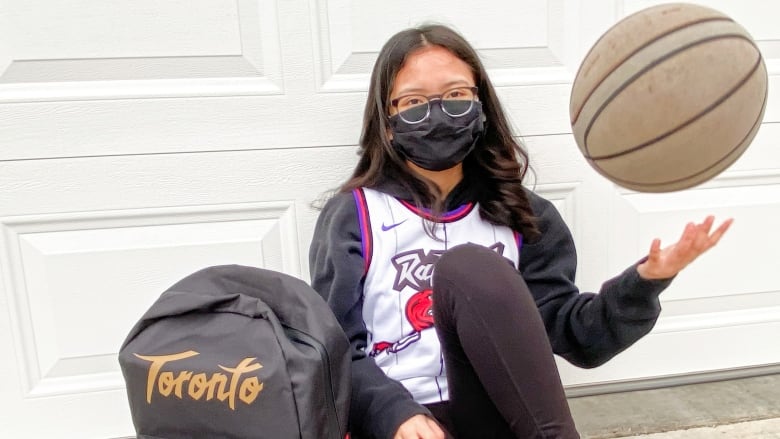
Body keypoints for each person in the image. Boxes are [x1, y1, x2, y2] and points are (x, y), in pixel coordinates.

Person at [308, 24, 732, 439]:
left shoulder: (525, 216)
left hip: (498, 416)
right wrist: (390, 412)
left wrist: (644, 283)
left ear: (481, 107)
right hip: (398, 421)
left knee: (470, 267)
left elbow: (576, 335)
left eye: (456, 96)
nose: (437, 113)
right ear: (387, 122)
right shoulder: (354, 215)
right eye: (415, 102)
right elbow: (333, 346)